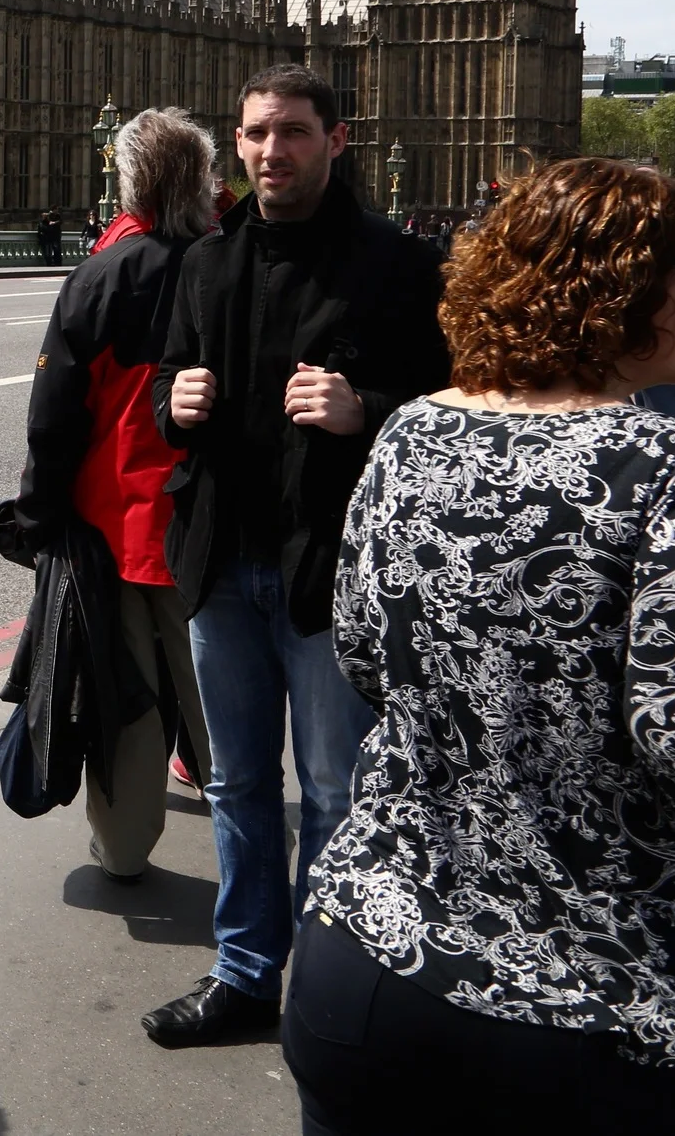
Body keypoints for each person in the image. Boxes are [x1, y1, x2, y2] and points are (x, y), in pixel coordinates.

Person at [288, 159, 675, 1136]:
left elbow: (357, 651)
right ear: (616, 302)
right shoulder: (670, 466)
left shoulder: (411, 432)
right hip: (597, 1002)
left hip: (371, 962)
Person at [143, 63, 448, 1047]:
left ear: (337, 140)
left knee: (329, 789)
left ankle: (324, 983)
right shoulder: (201, 264)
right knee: (234, 785)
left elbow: (450, 417)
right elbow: (162, 388)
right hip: (223, 568)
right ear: (236, 144)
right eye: (257, 134)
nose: (272, 151)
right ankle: (242, 975)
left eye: (294, 133)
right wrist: (171, 406)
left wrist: (369, 411)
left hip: (331, 572)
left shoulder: (396, 267)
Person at [16, 109, 216, 883]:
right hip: (207, 531)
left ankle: (124, 847)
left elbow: (53, 422)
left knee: (129, 703)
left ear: (129, 182)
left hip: (120, 533)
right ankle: (257, 861)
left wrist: (39, 521)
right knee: (222, 709)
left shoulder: (98, 277)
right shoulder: (227, 266)